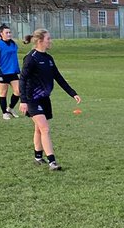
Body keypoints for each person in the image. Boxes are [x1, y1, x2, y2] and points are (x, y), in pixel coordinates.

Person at [19, 29, 80, 170]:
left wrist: (72, 93)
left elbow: (58, 77)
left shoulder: (48, 58)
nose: (50, 41)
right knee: (45, 128)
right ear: (40, 40)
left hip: (44, 99)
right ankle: (52, 162)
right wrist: (23, 101)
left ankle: (38, 157)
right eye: (48, 38)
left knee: (39, 129)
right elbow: (23, 79)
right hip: (32, 99)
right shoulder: (31, 58)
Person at [0, 24, 21, 120]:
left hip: (13, 72)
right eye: (7, 33)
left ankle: (10, 108)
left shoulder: (13, 44)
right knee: (3, 93)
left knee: (18, 91)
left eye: (10, 32)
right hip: (3, 73)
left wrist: (18, 70)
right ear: (1, 34)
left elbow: (14, 58)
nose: (9, 34)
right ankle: (4, 113)